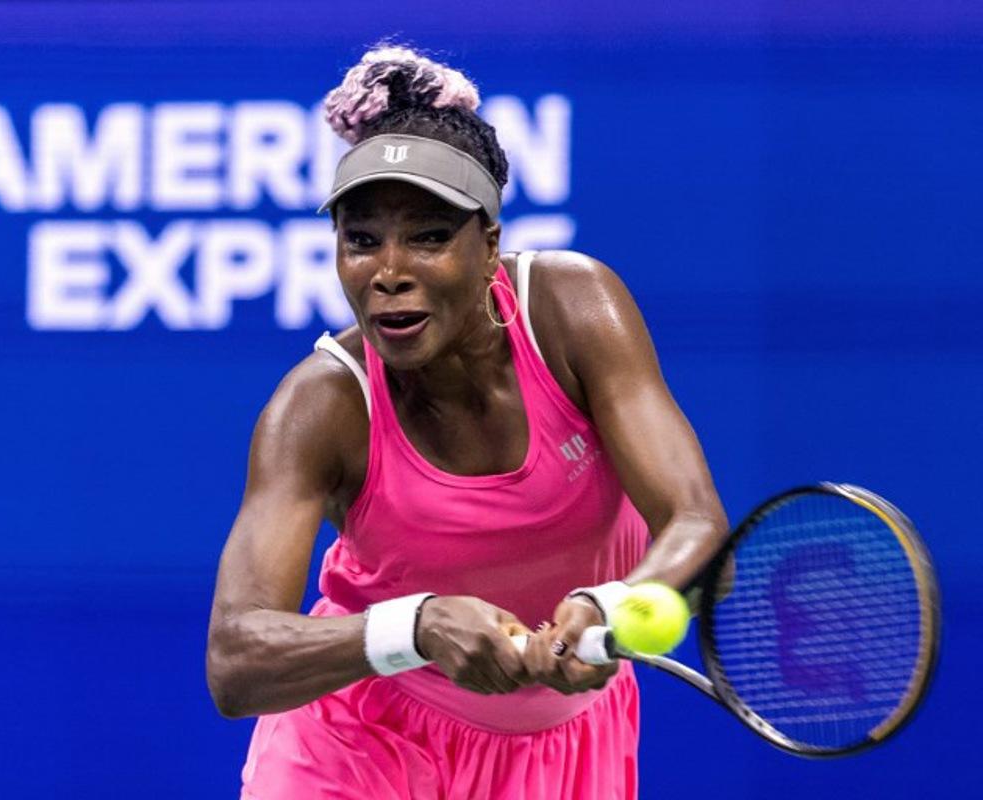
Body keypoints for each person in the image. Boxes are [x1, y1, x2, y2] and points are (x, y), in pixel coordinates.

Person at [206, 45, 728, 799]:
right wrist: (414, 629)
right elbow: (235, 660)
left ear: (490, 246)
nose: (388, 270)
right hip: (359, 744)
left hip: (562, 753)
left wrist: (605, 610)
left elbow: (692, 518)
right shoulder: (319, 405)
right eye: (361, 239)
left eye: (427, 235)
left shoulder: (575, 310)